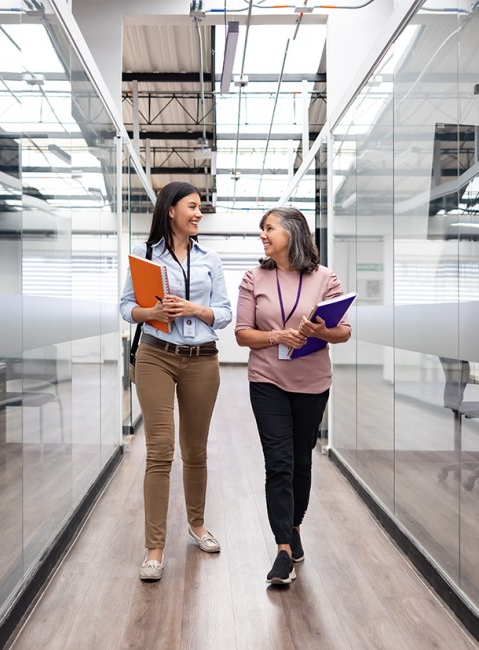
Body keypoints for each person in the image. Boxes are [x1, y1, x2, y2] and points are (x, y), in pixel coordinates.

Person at [119, 181, 232, 582]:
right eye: (193, 206)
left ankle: (197, 525)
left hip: (202, 359)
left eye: (200, 207)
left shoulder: (210, 259)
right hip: (156, 356)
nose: (199, 213)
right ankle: (154, 548)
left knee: (195, 449)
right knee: (160, 449)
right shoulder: (144, 254)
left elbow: (224, 312)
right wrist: (149, 312)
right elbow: (125, 307)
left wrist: (195, 309)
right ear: (171, 210)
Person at [235, 207, 351, 585]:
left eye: (268, 228)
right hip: (267, 379)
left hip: (313, 381)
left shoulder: (325, 278)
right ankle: (283, 548)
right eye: (261, 230)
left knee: (302, 461)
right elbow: (241, 333)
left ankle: (295, 526)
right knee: (279, 463)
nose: (263, 236)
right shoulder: (254, 277)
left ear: (292, 231)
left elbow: (344, 331)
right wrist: (277, 337)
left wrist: (320, 331)